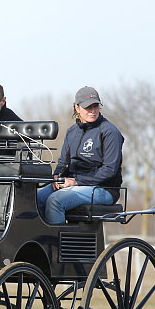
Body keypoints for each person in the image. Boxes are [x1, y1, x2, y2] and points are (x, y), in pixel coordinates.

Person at [36, 86, 124, 224]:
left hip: (104, 189)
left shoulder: (110, 132)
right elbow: (62, 162)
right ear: (77, 108)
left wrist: (77, 182)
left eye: (95, 106)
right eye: (88, 107)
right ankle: (40, 242)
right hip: (74, 184)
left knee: (55, 201)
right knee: (34, 199)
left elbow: (109, 170)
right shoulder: (72, 132)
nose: (93, 111)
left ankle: (58, 245)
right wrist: (57, 176)